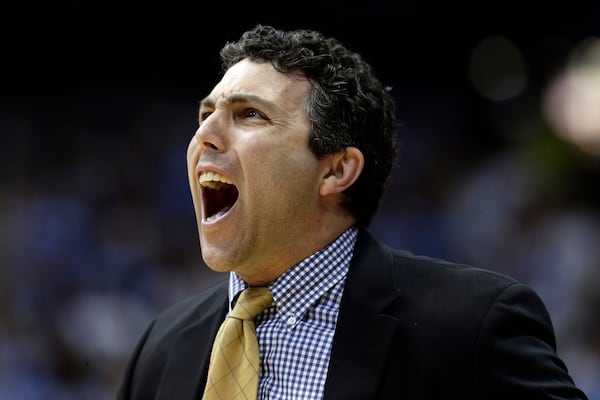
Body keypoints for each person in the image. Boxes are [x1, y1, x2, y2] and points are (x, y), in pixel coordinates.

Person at [116, 24, 588, 399]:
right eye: (205, 115)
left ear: (336, 170)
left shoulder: (471, 327)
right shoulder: (162, 347)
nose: (204, 137)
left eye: (250, 115)